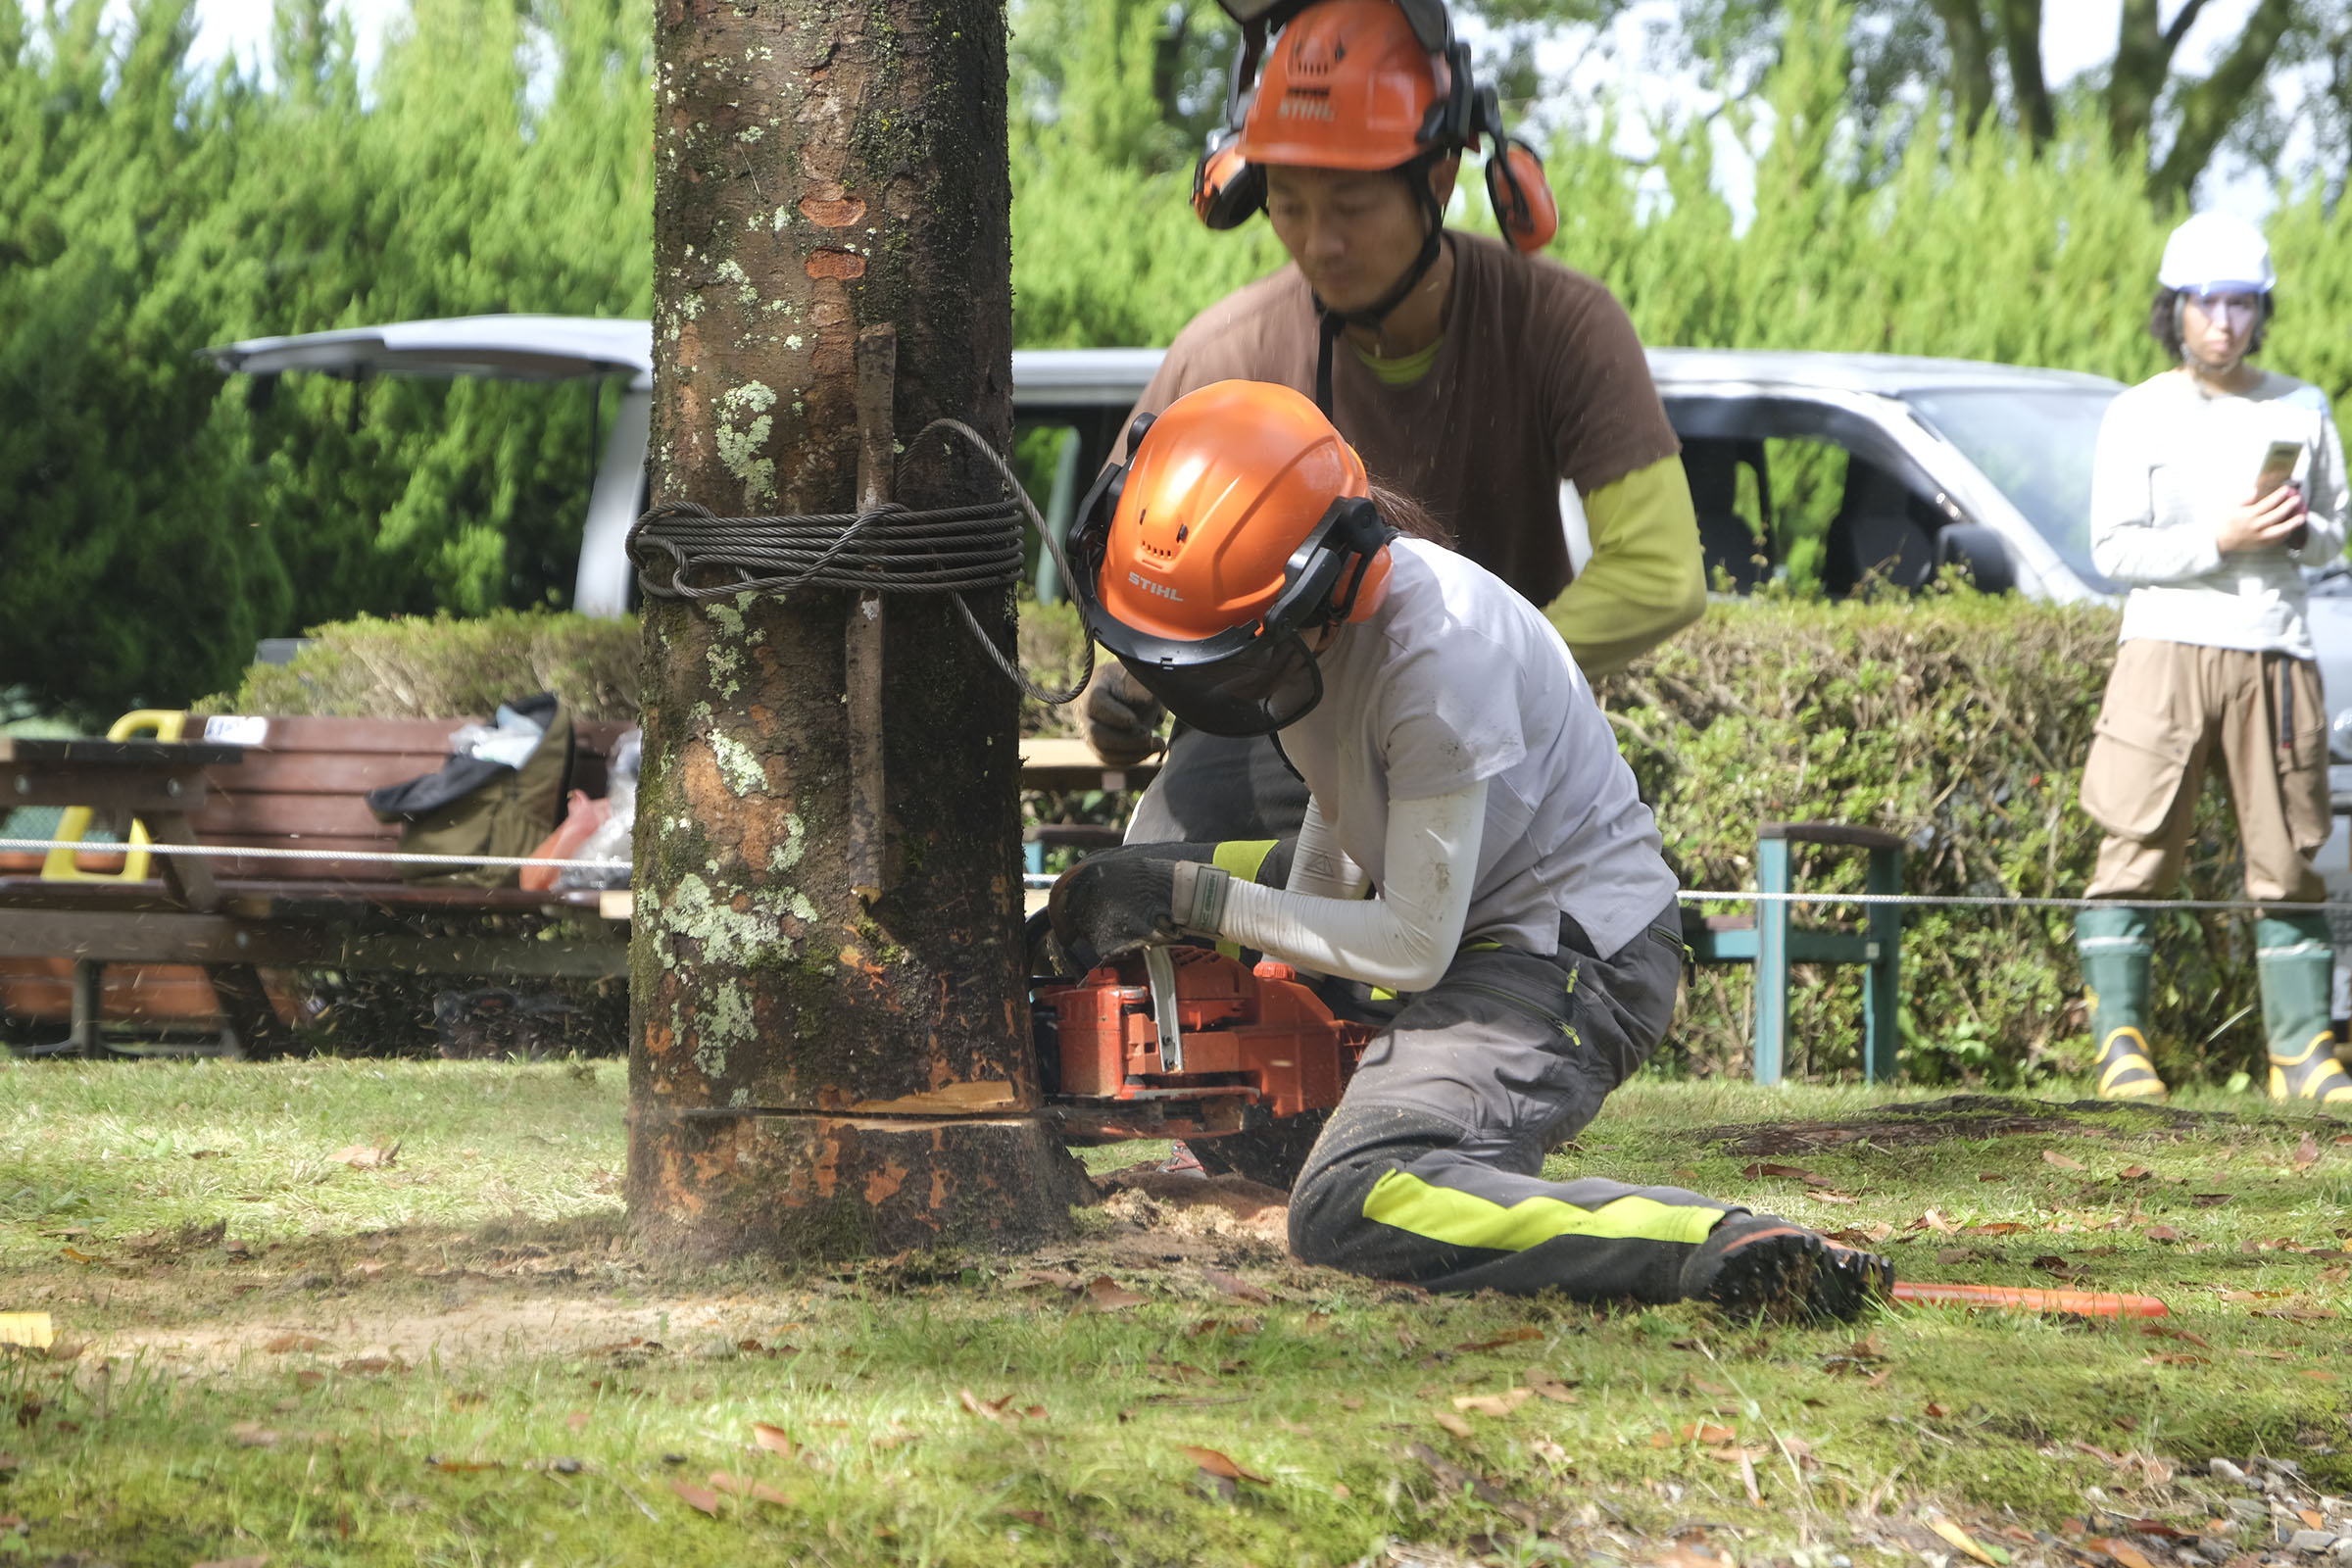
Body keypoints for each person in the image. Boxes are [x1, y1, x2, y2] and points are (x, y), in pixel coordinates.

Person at [1052, 379, 1888, 1317]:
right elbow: (1332, 854)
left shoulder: (1441, 659)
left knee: (1350, 1201)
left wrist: (1195, 902)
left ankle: (1707, 1246)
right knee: (1132, 886)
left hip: (1564, 949)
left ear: (1316, 600)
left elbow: (1412, 946)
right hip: (1439, 893)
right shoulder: (1307, 633)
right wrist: (1164, 906)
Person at [1081, 0, 1703, 847]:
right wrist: (1124, 686)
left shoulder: (1561, 326)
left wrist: (1474, 677)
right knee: (1158, 901)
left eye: (1352, 204)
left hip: (1490, 746)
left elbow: (1660, 573)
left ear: (1439, 178)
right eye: (1289, 204)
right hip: (1272, 740)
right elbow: (1135, 570)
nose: (1318, 242)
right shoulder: (1229, 350)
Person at [2074, 212, 2352, 1104]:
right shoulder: (2137, 409)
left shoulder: (2303, 407)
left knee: (2290, 857)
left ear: (2259, 310)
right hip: (2163, 648)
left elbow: (2336, 535)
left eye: (2241, 302)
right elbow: (2112, 552)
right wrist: (2220, 537)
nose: (2224, 322)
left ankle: (2302, 1055)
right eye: (2206, 302)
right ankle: (2122, 1048)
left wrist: (2298, 527)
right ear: (2176, 309)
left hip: (2274, 650)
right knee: (2136, 847)